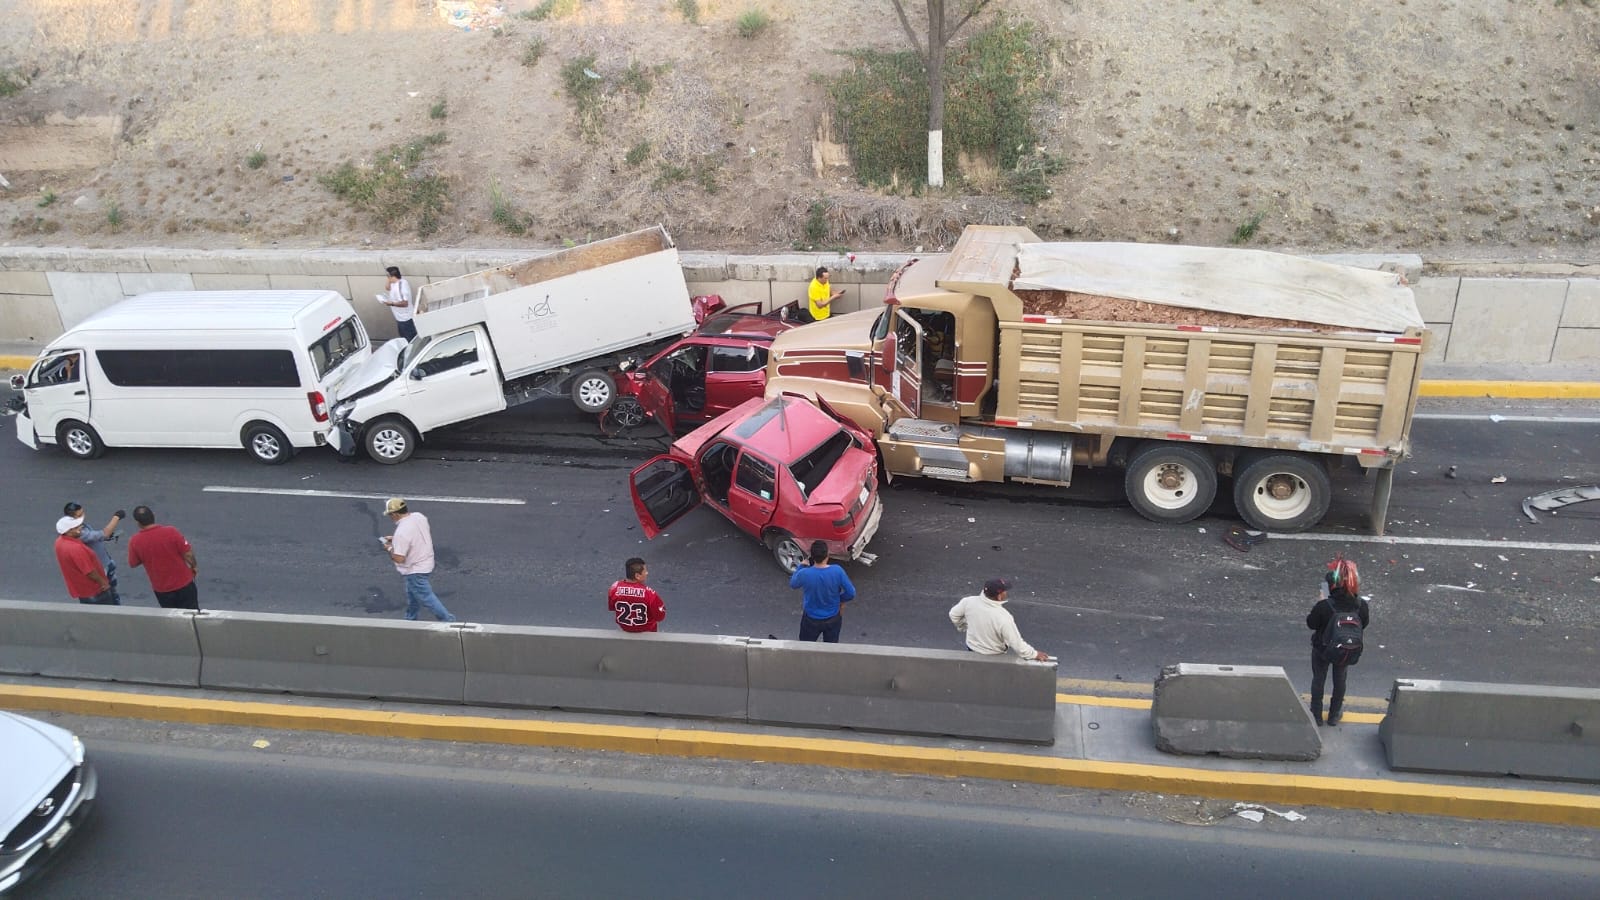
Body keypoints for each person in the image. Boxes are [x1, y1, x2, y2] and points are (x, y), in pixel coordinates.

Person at [1306, 557, 1371, 726]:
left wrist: (1320, 602)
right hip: (1345, 649)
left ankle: (1316, 714)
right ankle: (1334, 715)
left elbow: (1311, 624)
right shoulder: (1361, 605)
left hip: (1322, 648)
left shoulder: (1325, 605)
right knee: (1340, 679)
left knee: (1319, 679)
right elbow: (1364, 624)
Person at [381, 498, 457, 622]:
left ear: (395, 514)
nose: (390, 517)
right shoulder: (419, 517)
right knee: (412, 594)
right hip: (426, 561)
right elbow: (413, 536)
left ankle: (447, 620)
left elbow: (399, 558)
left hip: (415, 570)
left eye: (390, 515)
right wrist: (395, 539)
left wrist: (389, 548)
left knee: (426, 597)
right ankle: (410, 618)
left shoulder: (401, 532)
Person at [948, 577, 1052, 662]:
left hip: (972, 648)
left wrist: (963, 627)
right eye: (1004, 591)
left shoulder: (968, 602)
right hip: (994, 655)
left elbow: (953, 614)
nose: (1006, 593)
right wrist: (1034, 654)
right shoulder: (1003, 617)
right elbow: (1016, 643)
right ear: (999, 596)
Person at [126, 505, 201, 610]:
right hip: (184, 584)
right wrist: (194, 566)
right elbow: (188, 554)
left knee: (172, 617)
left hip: (162, 589)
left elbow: (133, 563)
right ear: (153, 516)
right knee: (192, 613)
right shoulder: (171, 531)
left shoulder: (134, 541)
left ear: (138, 523)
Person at [788, 540, 855, 642]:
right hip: (833, 617)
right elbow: (851, 593)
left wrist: (801, 566)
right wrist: (838, 600)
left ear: (812, 557)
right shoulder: (837, 571)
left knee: (806, 645)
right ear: (827, 555)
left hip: (811, 618)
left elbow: (793, 584)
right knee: (830, 647)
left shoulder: (805, 573)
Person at [64, 502, 126, 604]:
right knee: (109, 595)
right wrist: (117, 517)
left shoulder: (80, 526)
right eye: (79, 515)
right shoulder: (79, 533)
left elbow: (95, 537)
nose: (82, 517)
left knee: (113, 590)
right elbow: (105, 533)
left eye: (83, 513)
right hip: (101, 568)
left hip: (105, 562)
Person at [53, 515, 115, 605]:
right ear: (68, 531)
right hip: (95, 591)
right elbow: (89, 571)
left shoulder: (59, 542)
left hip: (82, 590)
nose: (81, 527)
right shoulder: (76, 549)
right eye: (76, 526)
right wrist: (103, 583)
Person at [607, 557, 666, 633]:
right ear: (637, 576)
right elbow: (660, 617)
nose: (647, 573)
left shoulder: (614, 588)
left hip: (625, 632)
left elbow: (612, 607)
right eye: (645, 571)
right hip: (647, 634)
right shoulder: (649, 593)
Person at [378, 265, 417, 341]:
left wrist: (391, 303)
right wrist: (389, 279)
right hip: (399, 317)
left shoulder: (401, 287)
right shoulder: (394, 282)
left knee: (410, 339)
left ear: (391, 276)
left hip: (405, 319)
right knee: (403, 337)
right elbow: (387, 288)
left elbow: (405, 303)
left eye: (388, 276)